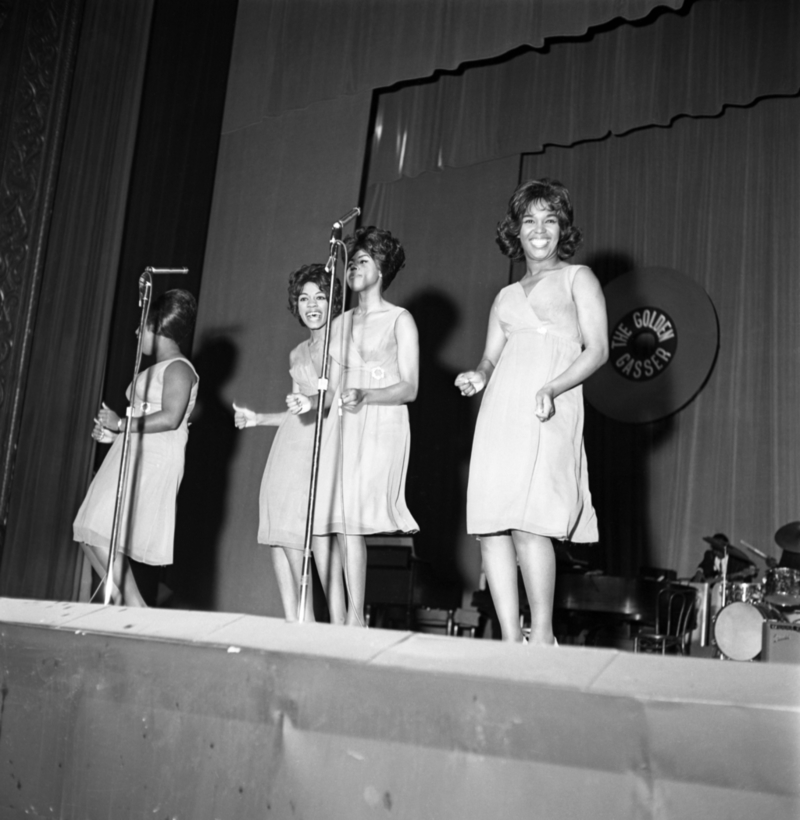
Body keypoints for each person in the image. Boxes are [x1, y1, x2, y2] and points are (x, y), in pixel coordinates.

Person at [455, 178, 608, 645]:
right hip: (501, 409)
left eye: (550, 220)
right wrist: (478, 375)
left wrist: (554, 385)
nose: (539, 230)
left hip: (548, 404)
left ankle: (541, 636)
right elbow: (490, 358)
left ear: (563, 229)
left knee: (529, 522)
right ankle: (508, 639)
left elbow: (598, 349)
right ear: (515, 231)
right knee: (491, 526)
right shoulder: (505, 297)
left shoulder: (578, 278)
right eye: (529, 221)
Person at [311, 226, 419, 627]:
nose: (354, 266)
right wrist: (311, 403)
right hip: (343, 422)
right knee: (335, 522)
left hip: (380, 421)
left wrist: (367, 395)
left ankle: (356, 618)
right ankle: (342, 617)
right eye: (351, 260)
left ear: (382, 268)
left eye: (363, 260)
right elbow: (332, 384)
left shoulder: (400, 320)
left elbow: (410, 386)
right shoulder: (339, 324)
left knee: (351, 518)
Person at [233, 264, 345, 623]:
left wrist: (311, 402)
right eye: (303, 298)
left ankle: (317, 626)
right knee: (278, 539)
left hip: (319, 445)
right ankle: (293, 624)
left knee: (299, 538)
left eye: (320, 297)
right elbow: (296, 411)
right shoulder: (297, 352)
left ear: (333, 301)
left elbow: (332, 400)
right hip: (289, 446)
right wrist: (258, 418)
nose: (311, 305)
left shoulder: (341, 341)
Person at [73, 289, 199, 606]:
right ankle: (125, 604)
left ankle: (135, 607)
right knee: (88, 531)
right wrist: (115, 437)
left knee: (101, 531)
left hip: (154, 459)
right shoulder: (152, 369)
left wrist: (121, 425)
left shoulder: (180, 368)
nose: (136, 333)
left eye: (141, 327)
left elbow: (171, 418)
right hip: (132, 452)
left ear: (159, 330)